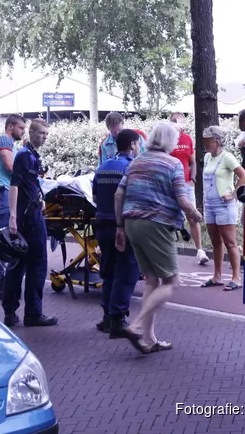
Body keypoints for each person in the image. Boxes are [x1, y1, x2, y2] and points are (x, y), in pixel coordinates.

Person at [114, 122, 203, 354]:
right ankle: (135, 326)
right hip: (157, 224)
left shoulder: (136, 162)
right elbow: (182, 199)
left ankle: (149, 339)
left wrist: (120, 227)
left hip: (132, 223)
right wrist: (194, 213)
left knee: (152, 281)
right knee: (172, 282)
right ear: (169, 141)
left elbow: (118, 194)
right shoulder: (172, 163)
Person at [4, 119, 58, 327]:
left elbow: (28, 183)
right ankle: (32, 313)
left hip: (30, 211)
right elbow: (14, 185)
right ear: (32, 132)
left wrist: (40, 198)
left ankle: (11, 311)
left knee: (18, 264)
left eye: (46, 134)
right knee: (36, 264)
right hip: (29, 217)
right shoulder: (25, 156)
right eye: (41, 133)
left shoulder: (30, 155)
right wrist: (12, 216)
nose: (44, 137)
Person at [92, 129, 142, 338]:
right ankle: (118, 319)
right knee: (128, 271)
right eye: (138, 144)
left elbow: (94, 196)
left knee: (109, 270)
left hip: (101, 223)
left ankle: (107, 316)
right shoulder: (131, 168)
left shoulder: (103, 167)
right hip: (121, 226)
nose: (140, 148)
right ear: (132, 144)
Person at [200, 126, 245, 291]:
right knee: (215, 242)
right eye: (204, 141)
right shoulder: (207, 157)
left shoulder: (227, 157)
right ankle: (217, 276)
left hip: (224, 205)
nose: (205, 144)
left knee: (230, 242)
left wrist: (234, 194)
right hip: (210, 204)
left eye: (208, 141)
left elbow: (243, 175)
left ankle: (236, 277)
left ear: (217, 141)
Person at [0, 114, 26, 299]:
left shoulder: (13, 145)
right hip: (1, 192)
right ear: (10, 127)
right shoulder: (3, 140)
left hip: (5, 192)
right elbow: (10, 166)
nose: (23, 131)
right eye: (21, 128)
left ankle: (2, 281)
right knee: (4, 238)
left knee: (8, 237)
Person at [169, 112, 209, 265]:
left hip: (186, 183)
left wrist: (193, 178)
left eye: (180, 121)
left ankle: (200, 251)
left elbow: (192, 161)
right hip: (171, 184)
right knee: (170, 217)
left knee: (192, 216)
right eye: (175, 121)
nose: (178, 124)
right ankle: (171, 253)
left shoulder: (187, 139)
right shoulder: (167, 140)